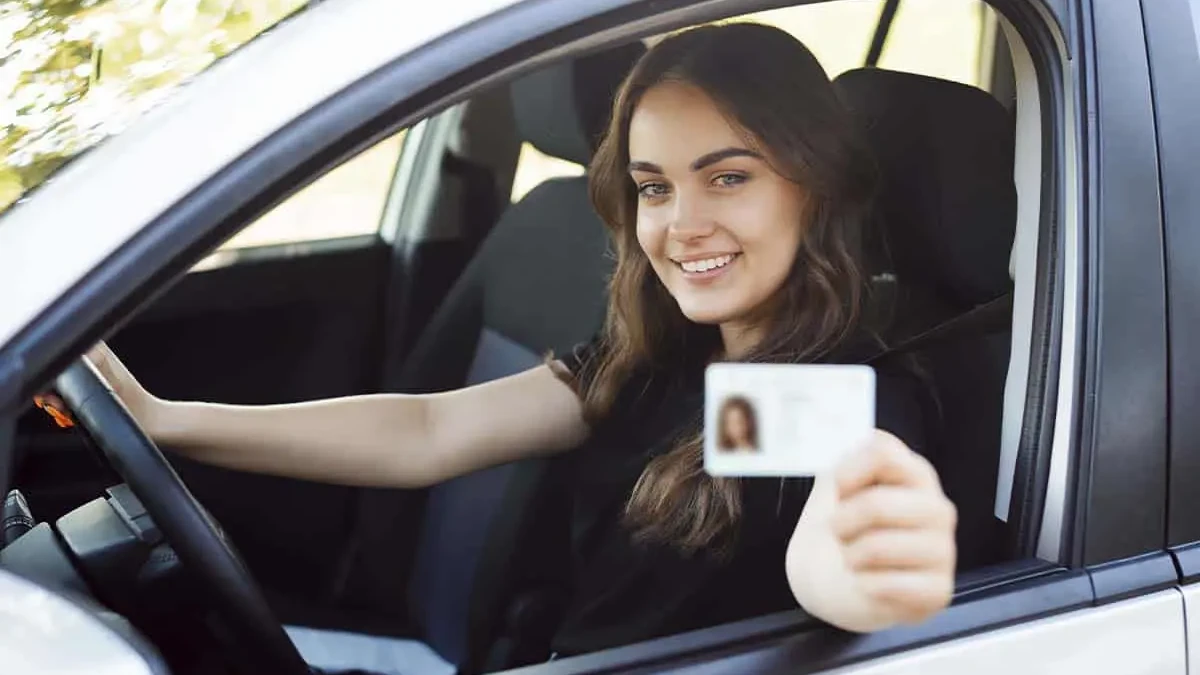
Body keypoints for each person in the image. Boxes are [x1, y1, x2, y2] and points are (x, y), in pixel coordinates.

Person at [84, 22, 957, 670]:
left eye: (729, 177)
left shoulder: (842, 393)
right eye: (654, 187)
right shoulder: (669, 361)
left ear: (818, 186)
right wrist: (165, 421)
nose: (683, 225)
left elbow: (832, 553)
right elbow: (428, 433)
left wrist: (872, 576)